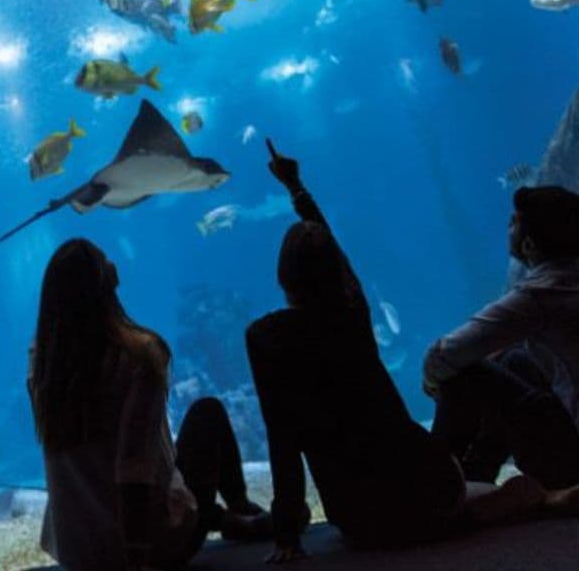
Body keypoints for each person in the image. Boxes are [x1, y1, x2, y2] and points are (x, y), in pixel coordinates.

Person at [247, 141, 576, 564]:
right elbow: (340, 265)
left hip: (358, 517)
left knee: (485, 366)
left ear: (281, 276)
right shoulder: (353, 316)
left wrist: (288, 534)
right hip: (429, 485)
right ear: (340, 280)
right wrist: (296, 188)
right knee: (481, 372)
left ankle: (485, 491)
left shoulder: (264, 339)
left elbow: (282, 436)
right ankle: (484, 492)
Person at [29, 238, 269, 571]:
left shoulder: (42, 370)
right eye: (104, 258)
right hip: (150, 546)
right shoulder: (138, 357)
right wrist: (138, 560)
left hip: (78, 553)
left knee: (176, 479)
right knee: (207, 413)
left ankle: (227, 518)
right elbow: (134, 468)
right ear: (106, 279)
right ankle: (240, 510)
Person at [426, 186, 579, 491]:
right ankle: (475, 475)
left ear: (530, 244)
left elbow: (443, 354)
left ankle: (433, 486)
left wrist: (433, 383)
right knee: (512, 359)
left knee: (466, 372)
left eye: (513, 222)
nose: (507, 227)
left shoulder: (540, 294)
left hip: (570, 460)